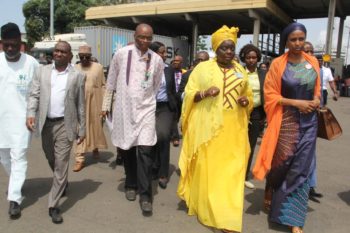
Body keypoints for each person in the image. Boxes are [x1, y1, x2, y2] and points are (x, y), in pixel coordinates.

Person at [177, 25, 253, 233]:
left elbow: (249, 95)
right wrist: (204, 94)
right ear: (216, 49)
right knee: (211, 172)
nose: (228, 52)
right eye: (224, 48)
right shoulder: (202, 69)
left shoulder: (240, 70)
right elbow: (188, 94)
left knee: (233, 172)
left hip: (234, 129)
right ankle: (214, 211)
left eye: (231, 48)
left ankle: (229, 214)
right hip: (209, 130)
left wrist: (247, 101)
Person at [253, 22, 321, 233]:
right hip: (286, 123)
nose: (298, 43)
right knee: (280, 165)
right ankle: (271, 188)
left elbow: (317, 88)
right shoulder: (278, 65)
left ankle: (294, 219)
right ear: (286, 42)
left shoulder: (313, 62)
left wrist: (317, 99)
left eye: (301, 39)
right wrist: (296, 103)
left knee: (301, 168)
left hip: (309, 123)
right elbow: (270, 96)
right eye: (293, 39)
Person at [101, 23, 163, 214]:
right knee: (127, 148)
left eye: (148, 38)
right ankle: (130, 184)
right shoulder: (121, 54)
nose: (145, 41)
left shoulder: (157, 60)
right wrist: (106, 107)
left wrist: (142, 99)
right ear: (135, 36)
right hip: (124, 110)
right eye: (141, 37)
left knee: (145, 151)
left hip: (145, 111)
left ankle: (145, 196)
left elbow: (156, 84)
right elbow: (111, 82)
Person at [26, 41, 86, 224]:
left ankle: (53, 205)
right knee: (51, 157)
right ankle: (62, 181)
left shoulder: (77, 76)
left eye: (63, 52)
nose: (58, 54)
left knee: (61, 164)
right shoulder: (42, 72)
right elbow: (34, 94)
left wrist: (82, 128)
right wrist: (30, 114)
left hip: (65, 124)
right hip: (46, 124)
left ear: (69, 56)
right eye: (56, 51)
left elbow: (80, 104)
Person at [0, 22, 39, 219]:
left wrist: (34, 115)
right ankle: (17, 182)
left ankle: (14, 199)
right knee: (5, 158)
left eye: (13, 44)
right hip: (1, 122)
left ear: (20, 43)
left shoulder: (31, 63)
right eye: (6, 44)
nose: (10, 48)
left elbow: (38, 91)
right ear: (1, 44)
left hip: (24, 122)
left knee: (19, 158)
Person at [72, 45, 107, 172]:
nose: (85, 59)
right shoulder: (74, 69)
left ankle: (95, 146)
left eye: (87, 57)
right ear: (79, 57)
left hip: (95, 104)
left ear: (91, 56)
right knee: (80, 129)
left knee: (95, 126)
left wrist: (105, 106)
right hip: (79, 104)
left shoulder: (98, 67)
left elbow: (103, 86)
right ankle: (79, 158)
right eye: (82, 57)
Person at [149, 41, 177, 189]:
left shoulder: (169, 69)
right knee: (150, 138)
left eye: (165, 52)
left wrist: (175, 110)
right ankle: (153, 167)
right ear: (153, 53)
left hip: (165, 107)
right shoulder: (145, 68)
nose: (165, 55)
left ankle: (163, 173)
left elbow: (172, 91)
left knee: (164, 136)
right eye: (162, 52)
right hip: (148, 108)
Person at [238, 44, 266, 189]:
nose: (251, 60)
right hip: (239, 113)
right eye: (248, 57)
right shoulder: (239, 72)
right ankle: (233, 174)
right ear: (243, 58)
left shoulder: (263, 74)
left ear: (258, 58)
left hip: (256, 113)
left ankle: (244, 176)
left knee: (251, 144)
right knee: (237, 145)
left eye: (254, 57)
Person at [303, 42, 324, 203]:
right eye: (306, 51)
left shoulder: (317, 69)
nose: (309, 53)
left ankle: (310, 186)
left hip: (311, 118)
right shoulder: (290, 69)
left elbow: (319, 92)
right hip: (295, 117)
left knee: (311, 155)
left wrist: (318, 103)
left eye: (311, 51)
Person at [170, 55, 186, 147]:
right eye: (174, 60)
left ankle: (171, 132)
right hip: (171, 97)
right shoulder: (169, 71)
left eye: (177, 61)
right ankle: (175, 137)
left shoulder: (184, 72)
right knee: (173, 116)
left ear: (181, 63)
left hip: (180, 98)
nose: (175, 62)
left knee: (177, 117)